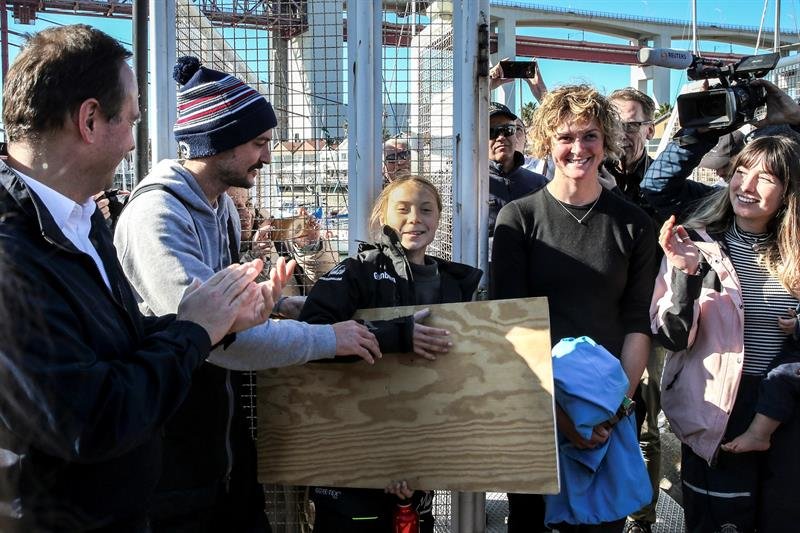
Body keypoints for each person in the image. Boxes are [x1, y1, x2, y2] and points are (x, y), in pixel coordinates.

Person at [0, 24, 275, 531]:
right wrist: (194, 330)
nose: (133, 144)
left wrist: (219, 319)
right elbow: (90, 419)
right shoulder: (12, 254)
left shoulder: (79, 222)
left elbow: (116, 347)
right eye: (129, 122)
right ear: (88, 120)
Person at [114, 56, 381, 532]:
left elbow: (232, 311)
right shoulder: (156, 219)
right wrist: (327, 339)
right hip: (169, 457)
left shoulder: (222, 210)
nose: (268, 157)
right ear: (218, 141)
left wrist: (278, 303)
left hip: (221, 447)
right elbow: (213, 337)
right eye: (259, 143)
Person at [491, 84, 657, 533]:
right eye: (566, 137)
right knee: (531, 522)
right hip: (536, 408)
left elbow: (637, 321)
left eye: (590, 136)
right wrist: (562, 418)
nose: (578, 148)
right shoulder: (519, 219)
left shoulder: (635, 225)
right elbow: (511, 327)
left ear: (606, 142)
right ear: (548, 142)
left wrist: (616, 406)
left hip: (609, 410)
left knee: (603, 523)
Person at [298, 176, 482, 532]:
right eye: (403, 208)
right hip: (352, 470)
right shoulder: (357, 271)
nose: (415, 218)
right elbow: (313, 335)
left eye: (426, 209)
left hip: (419, 470)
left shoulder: (457, 286)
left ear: (439, 219)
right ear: (382, 215)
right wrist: (396, 334)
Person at [652, 134, 800, 531]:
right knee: (717, 522)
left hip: (786, 407)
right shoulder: (697, 241)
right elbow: (671, 337)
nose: (746, 186)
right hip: (718, 408)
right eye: (740, 172)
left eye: (765, 177)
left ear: (788, 191)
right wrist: (684, 274)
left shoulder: (795, 251)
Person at [487, 101, 548, 242]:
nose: (501, 137)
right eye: (491, 132)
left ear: (516, 136)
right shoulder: (468, 186)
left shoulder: (540, 184)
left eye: (508, 130)